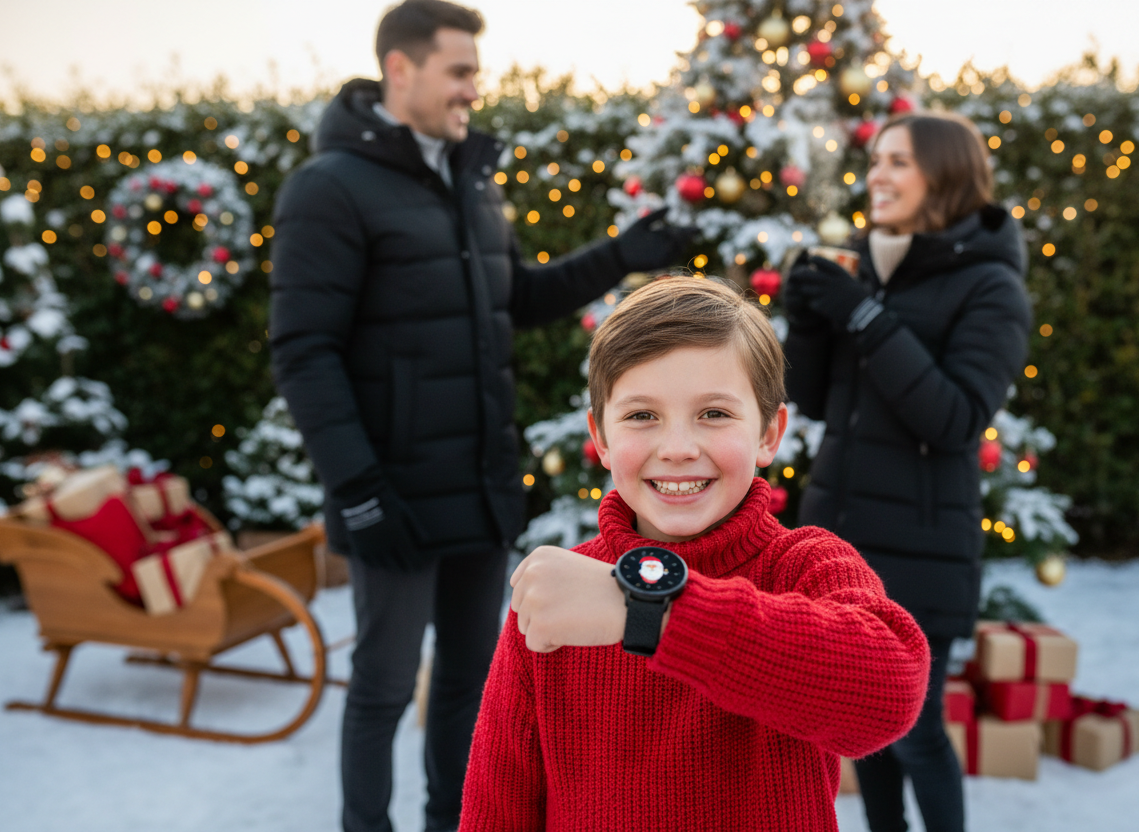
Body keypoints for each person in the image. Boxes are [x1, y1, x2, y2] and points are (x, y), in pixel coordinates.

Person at [268, 2, 695, 830]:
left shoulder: (468, 180)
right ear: (402, 69)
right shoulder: (328, 189)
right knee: (385, 688)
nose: (475, 87)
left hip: (480, 490)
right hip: (390, 494)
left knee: (470, 684)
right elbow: (303, 352)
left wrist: (621, 255)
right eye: (460, 70)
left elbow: (517, 297)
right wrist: (358, 491)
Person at [458, 276, 930, 831]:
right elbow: (496, 812)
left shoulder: (803, 566)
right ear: (601, 438)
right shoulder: (558, 599)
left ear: (768, 432)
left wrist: (648, 610)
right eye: (641, 415)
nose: (678, 449)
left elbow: (889, 692)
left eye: (714, 413)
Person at [784, 111, 1033, 832]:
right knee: (862, 727)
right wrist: (807, 318)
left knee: (917, 730)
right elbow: (812, 398)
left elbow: (955, 418)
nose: (877, 176)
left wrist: (862, 316)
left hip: (922, 546)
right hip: (843, 535)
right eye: (875, 161)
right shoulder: (871, 269)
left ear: (945, 177)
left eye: (898, 162)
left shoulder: (991, 288)